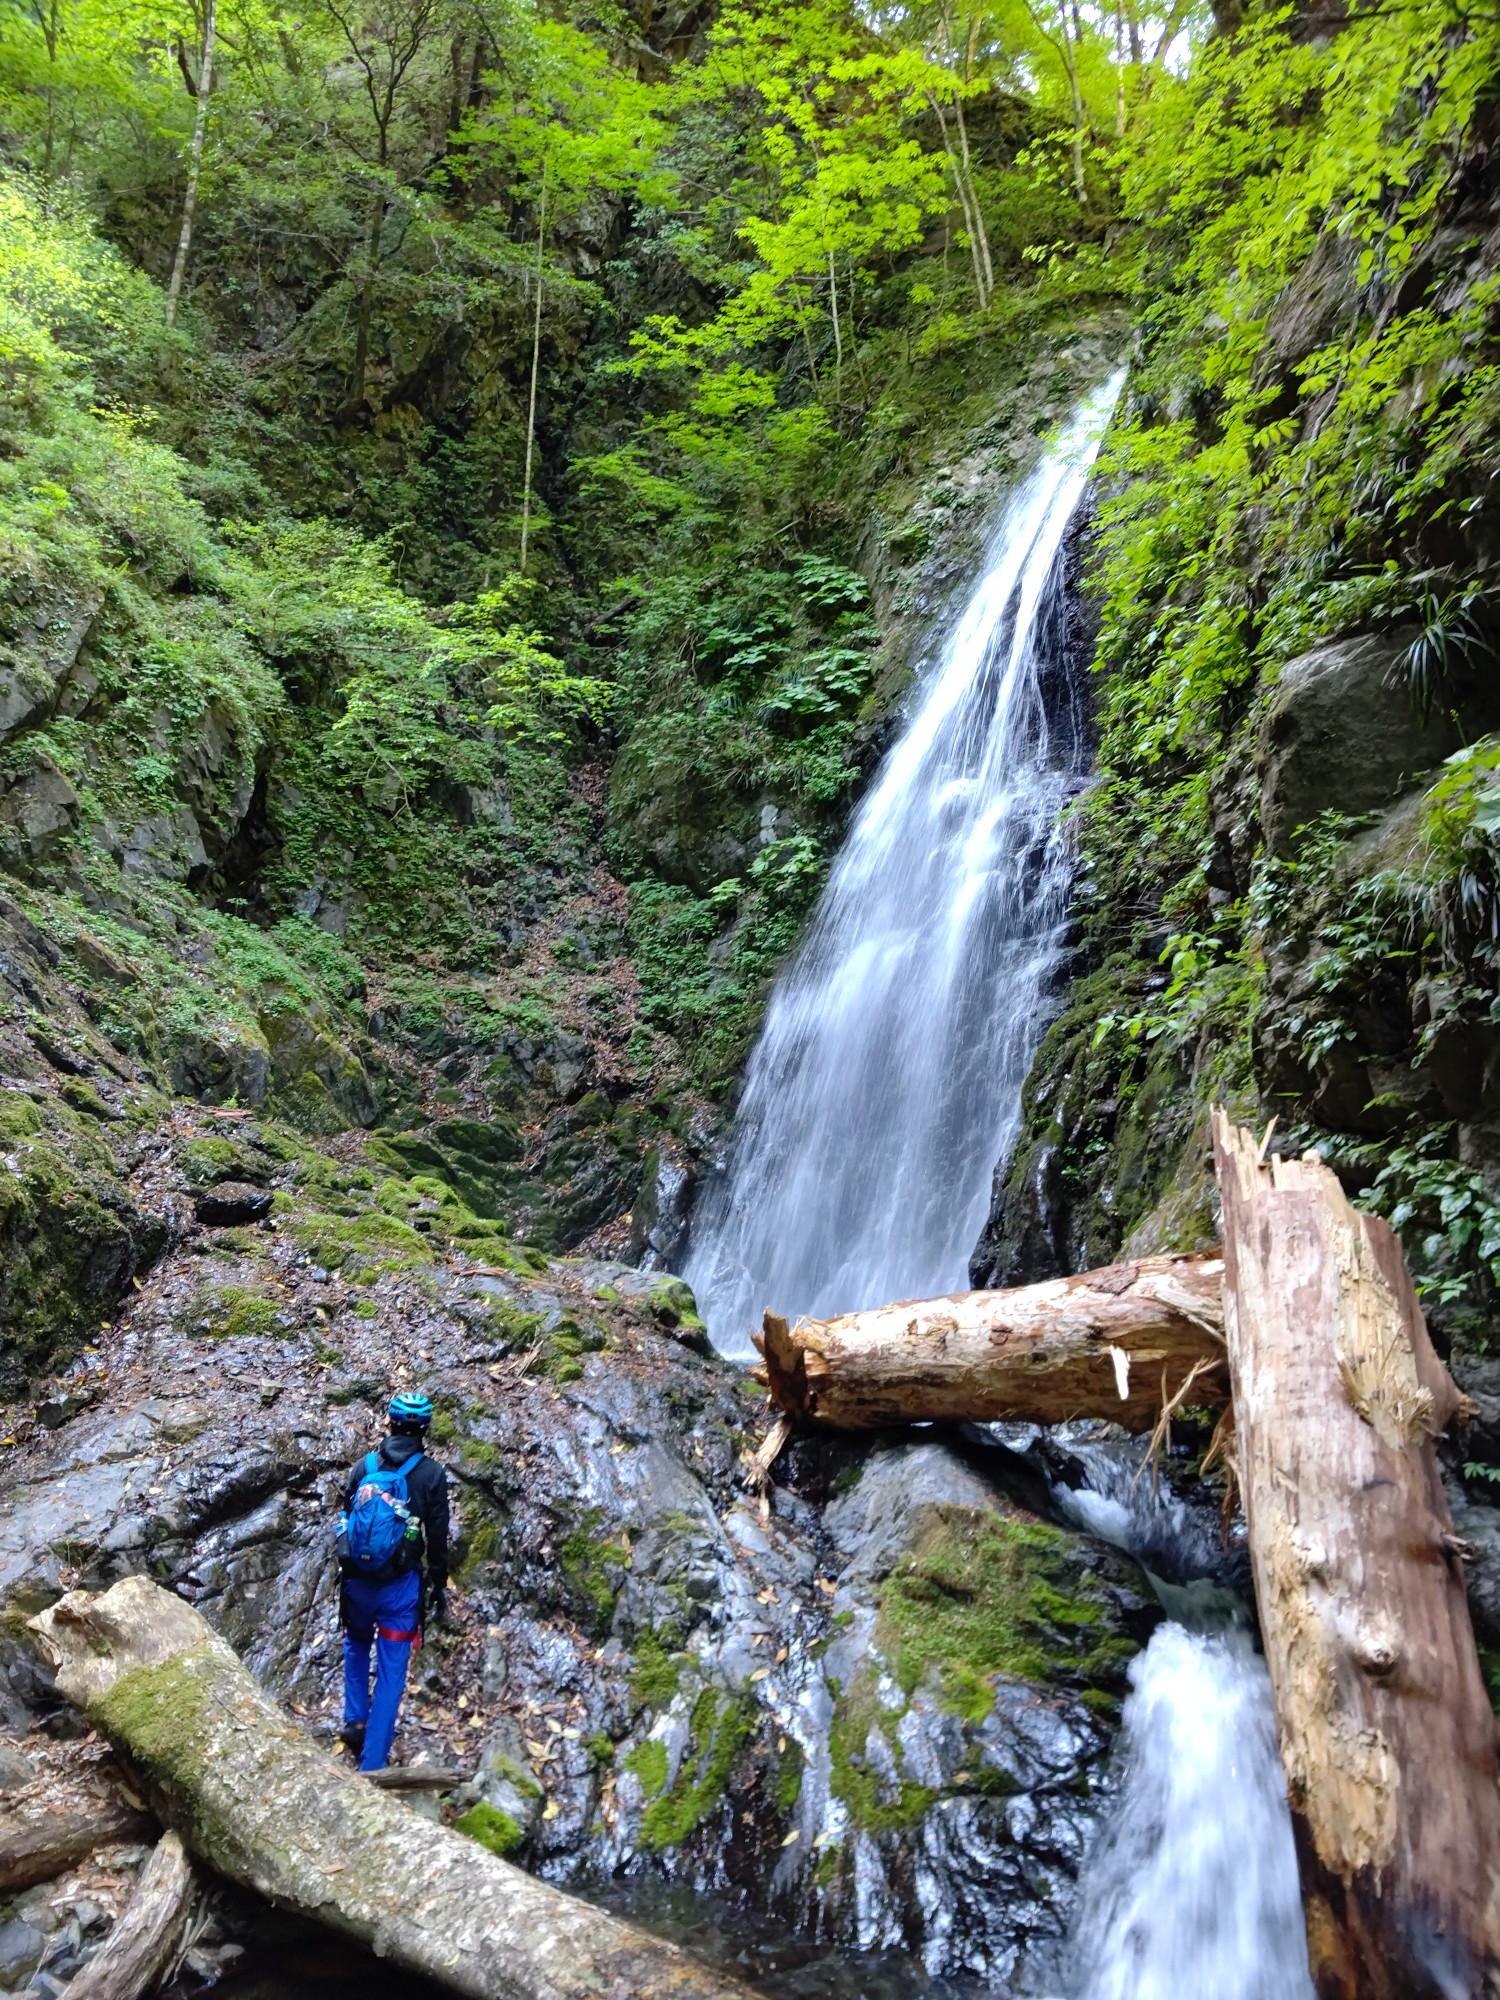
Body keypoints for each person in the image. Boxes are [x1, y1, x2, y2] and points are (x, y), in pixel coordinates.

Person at [336, 1389, 450, 1773]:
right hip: (400, 1590)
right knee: (390, 1672)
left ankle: (354, 1719)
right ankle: (372, 1763)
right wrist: (438, 1583)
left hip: (357, 1584)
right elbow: (437, 1537)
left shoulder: (363, 1468)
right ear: (425, 1430)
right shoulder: (432, 1476)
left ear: (390, 1422)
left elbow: (346, 1522)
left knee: (355, 1643)